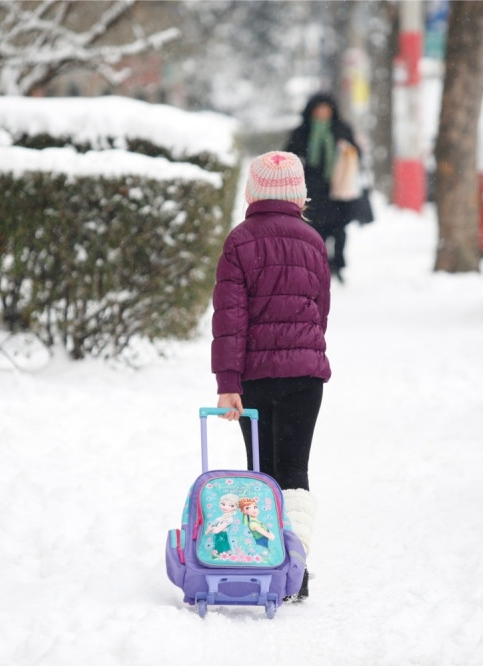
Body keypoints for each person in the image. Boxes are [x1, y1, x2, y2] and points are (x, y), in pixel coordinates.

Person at [211, 150, 330, 601]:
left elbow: (229, 319)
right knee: (295, 472)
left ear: (251, 193)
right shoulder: (313, 241)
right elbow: (320, 311)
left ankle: (260, 563)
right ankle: (294, 571)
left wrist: (228, 383)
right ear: (301, 195)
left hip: (255, 379)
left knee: (260, 473)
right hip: (305, 378)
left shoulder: (239, 242)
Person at [285, 92, 361, 283]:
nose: (322, 114)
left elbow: (356, 155)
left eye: (326, 110)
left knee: (339, 230)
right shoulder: (302, 132)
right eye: (318, 110)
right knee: (313, 230)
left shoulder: (341, 129)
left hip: (338, 190)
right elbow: (289, 156)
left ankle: (337, 264)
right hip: (311, 190)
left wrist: (346, 151)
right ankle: (317, 264)